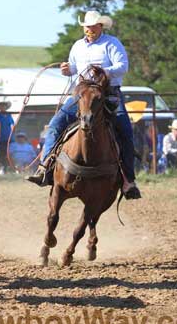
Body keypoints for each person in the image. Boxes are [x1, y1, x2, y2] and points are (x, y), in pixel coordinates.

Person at [27, 10, 141, 200]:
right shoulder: (78, 46)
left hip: (108, 93)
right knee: (56, 123)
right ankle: (44, 167)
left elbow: (123, 66)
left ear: (100, 27)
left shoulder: (111, 43)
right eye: (87, 27)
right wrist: (67, 70)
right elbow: (73, 68)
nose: (89, 30)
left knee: (125, 131)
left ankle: (128, 180)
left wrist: (103, 71)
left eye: (92, 26)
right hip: (81, 94)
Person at [0, 100, 14, 173]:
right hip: (1, 138)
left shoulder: (9, 115)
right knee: (2, 153)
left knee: (9, 153)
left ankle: (9, 168)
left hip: (9, 137)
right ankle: (3, 167)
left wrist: (13, 130)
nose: (1, 107)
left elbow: (12, 124)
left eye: (3, 105)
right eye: (0, 105)